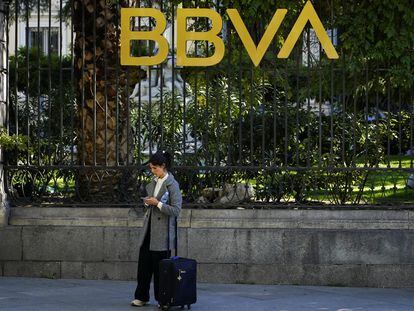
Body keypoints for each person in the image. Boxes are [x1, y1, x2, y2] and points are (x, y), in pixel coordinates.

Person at [131, 150, 182, 307]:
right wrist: (147, 202)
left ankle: (163, 299)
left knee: (161, 270)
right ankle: (141, 297)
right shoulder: (152, 183)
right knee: (144, 267)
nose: (152, 171)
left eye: (155, 168)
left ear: (163, 166)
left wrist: (157, 204)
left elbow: (176, 210)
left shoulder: (172, 185)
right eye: (151, 168)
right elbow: (149, 205)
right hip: (149, 230)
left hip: (163, 234)